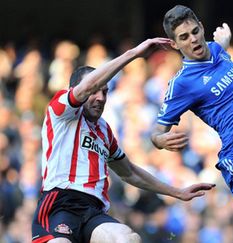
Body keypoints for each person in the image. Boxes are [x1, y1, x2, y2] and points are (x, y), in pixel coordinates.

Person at [31, 37, 215, 243]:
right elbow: (87, 86)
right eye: (95, 91)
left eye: (104, 92)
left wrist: (176, 192)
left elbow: (129, 172)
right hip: (60, 204)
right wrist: (133, 54)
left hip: (93, 211)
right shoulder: (61, 111)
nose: (100, 97)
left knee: (128, 239)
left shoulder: (104, 130)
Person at [151, 5, 233, 243]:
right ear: (174, 44)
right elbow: (156, 132)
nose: (193, 39)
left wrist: (224, 41)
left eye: (195, 31)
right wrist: (159, 139)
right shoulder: (182, 84)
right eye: (184, 37)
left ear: (202, 28)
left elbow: (216, 55)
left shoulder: (216, 50)